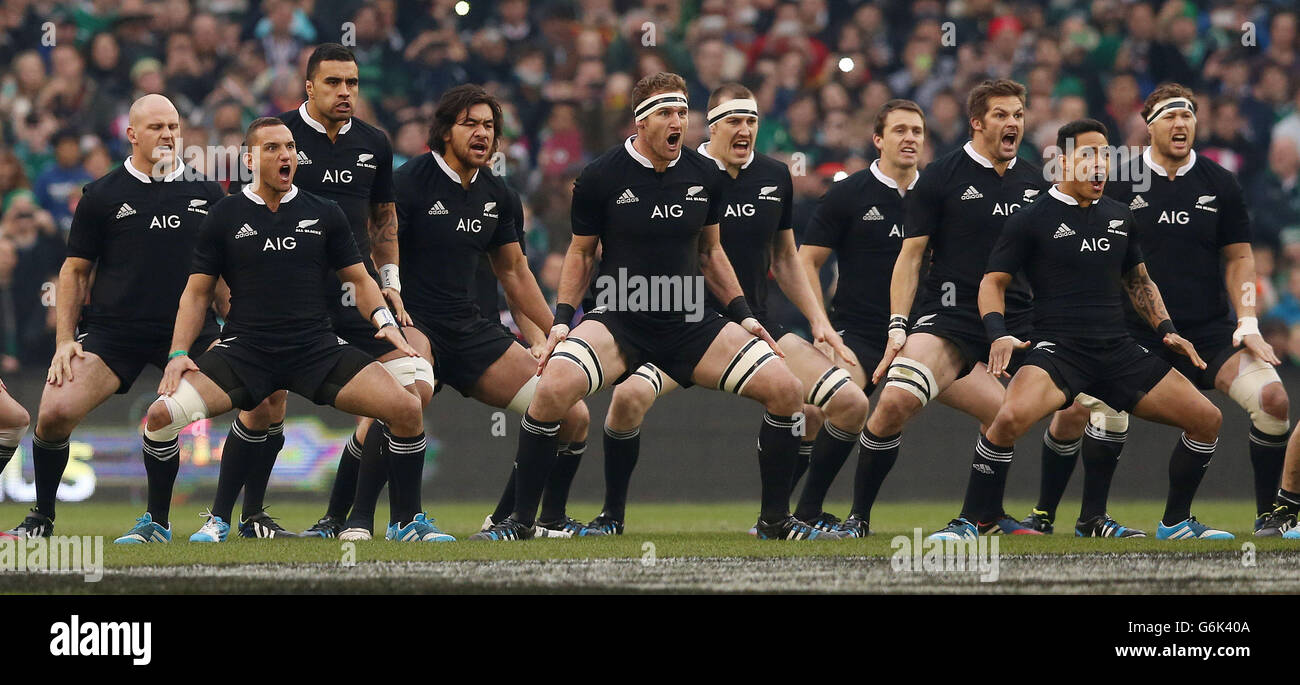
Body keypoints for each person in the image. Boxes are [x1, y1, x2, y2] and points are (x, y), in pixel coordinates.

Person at [473, 72, 840, 542]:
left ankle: (775, 523)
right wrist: (563, 321)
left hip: (690, 318)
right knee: (552, 389)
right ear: (641, 123)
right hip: (622, 314)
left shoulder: (704, 174)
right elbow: (582, 254)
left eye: (683, 113)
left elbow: (711, 253)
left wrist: (744, 314)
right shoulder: (600, 177)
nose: (678, 123)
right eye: (667, 113)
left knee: (787, 390)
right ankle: (520, 523)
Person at [561, 83, 865, 537]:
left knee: (848, 404)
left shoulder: (775, 175)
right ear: (711, 126)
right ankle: (611, 517)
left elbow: (786, 258)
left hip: (754, 322)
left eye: (752, 122)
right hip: (681, 321)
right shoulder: (685, 170)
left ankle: (796, 515)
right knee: (626, 399)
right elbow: (604, 249)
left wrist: (820, 322)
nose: (744, 131)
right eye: (734, 122)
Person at [1024, 84, 1291, 538]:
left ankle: (1268, 518)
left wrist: (1247, 322)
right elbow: (1064, 233)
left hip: (1208, 330)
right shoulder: (1118, 177)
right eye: (1170, 116)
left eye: (1188, 115)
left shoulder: (1219, 182)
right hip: (1126, 331)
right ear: (1148, 125)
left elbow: (1240, 258)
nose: (1181, 123)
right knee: (1079, 411)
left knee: (1274, 401)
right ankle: (1050, 515)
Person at [947, 118, 1230, 542]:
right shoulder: (1031, 218)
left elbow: (1139, 281)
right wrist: (998, 332)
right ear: (1061, 161)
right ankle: (971, 521)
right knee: (1005, 421)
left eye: (1105, 156)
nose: (1099, 166)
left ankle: (1175, 523)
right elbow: (993, 282)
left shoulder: (1119, 215)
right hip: (1060, 351)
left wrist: (1167, 328)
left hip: (1118, 351)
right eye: (1088, 155)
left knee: (1207, 419)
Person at [170, 117, 445, 544]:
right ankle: (215, 519)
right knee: (163, 416)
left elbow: (361, 279)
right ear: (249, 159)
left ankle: (407, 521)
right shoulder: (225, 213)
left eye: (291, 148)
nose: (286, 156)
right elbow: (196, 293)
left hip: (314, 347)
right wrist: (178, 354)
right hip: (248, 346)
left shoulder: (324, 212)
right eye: (273, 149)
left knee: (407, 408)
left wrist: (386, 323)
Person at [342, 84, 591, 540]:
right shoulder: (407, 182)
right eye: (471, 124)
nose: (482, 134)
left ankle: (510, 519)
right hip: (413, 321)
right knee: (406, 395)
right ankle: (367, 520)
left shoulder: (499, 194)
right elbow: (378, 249)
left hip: (471, 327)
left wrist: (555, 328)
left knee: (571, 412)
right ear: (444, 131)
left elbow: (515, 272)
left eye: (490, 127)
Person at [5, 94, 221, 543]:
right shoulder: (101, 195)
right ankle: (42, 519)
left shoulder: (207, 193)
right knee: (54, 412)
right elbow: (75, 271)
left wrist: (241, 329)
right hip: (114, 332)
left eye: (174, 127)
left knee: (262, 399)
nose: (167, 135)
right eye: (157, 127)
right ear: (132, 135)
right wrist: (65, 340)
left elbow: (220, 275)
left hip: (192, 332)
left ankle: (182, 521)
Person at [865, 79, 1057, 537]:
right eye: (1001, 115)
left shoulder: (1034, 181)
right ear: (977, 122)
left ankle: (1003, 516)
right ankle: (857, 519)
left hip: (1017, 319)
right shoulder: (942, 175)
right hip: (950, 316)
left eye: (1018, 115)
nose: (1013, 123)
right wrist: (897, 326)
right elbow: (910, 257)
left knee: (1045, 409)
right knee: (893, 400)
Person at [793, 98, 926, 537]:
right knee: (833, 403)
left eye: (917, 131)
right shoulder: (848, 194)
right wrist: (822, 326)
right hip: (860, 334)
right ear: (878, 139)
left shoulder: (938, 195)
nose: (910, 138)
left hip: (928, 335)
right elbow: (804, 262)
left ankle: (989, 514)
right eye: (900, 130)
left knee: (1002, 411)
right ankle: (798, 511)